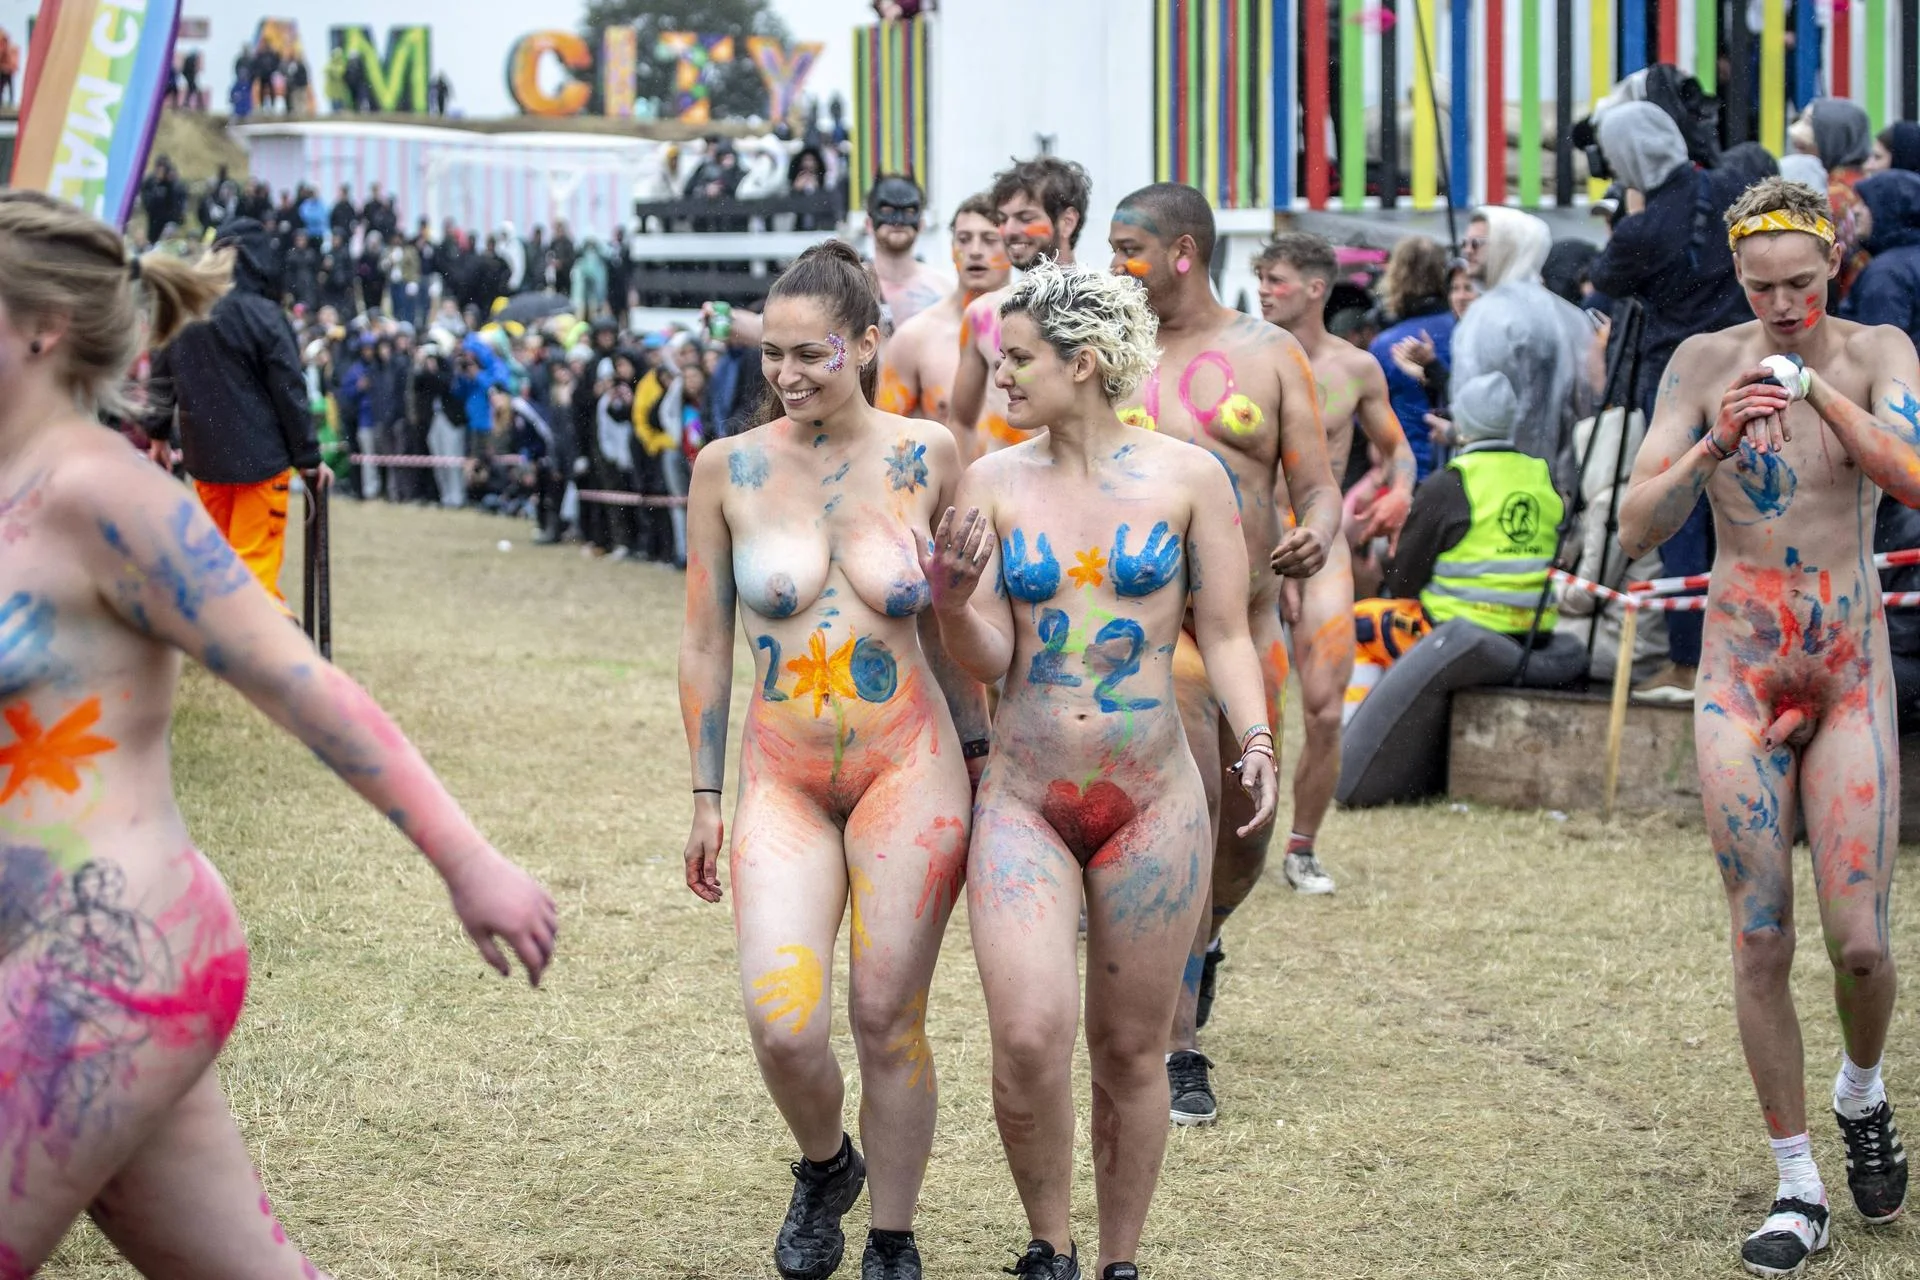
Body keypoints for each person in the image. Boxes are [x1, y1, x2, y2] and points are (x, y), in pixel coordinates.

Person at [0, 186, 557, 1279]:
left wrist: (468, 859)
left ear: (41, 327)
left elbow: (304, 685)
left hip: (116, 950)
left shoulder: (109, 496)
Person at [923, 260, 1277, 1280]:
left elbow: (1226, 632)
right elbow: (991, 653)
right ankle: (1051, 1244)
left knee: (1131, 1048)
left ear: (1083, 362)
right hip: (1026, 799)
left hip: (1154, 801)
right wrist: (951, 601)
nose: (1000, 377)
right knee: (1029, 1035)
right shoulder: (992, 481)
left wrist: (1255, 740)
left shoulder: (1189, 477)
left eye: (1018, 359)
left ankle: (1119, 1258)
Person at [1619, 176, 1915, 1277]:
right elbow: (1634, 526)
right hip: (1740, 676)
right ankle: (1798, 1184)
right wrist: (1711, 446)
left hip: (1848, 672)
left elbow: (1913, 477)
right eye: (1761, 287)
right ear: (1737, 279)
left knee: (1862, 943)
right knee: (1760, 935)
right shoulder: (1700, 363)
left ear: (1834, 262)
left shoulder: (1879, 351)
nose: (1784, 304)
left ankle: (1862, 1090)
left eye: (1801, 281)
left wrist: (1818, 395)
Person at [678, 240, 986, 1280]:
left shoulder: (931, 453)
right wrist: (705, 793)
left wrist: (983, 753)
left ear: (866, 342)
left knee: (886, 1014)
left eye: (813, 353)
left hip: (912, 767)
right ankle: (826, 1164)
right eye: (773, 354)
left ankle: (893, 1236)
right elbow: (705, 640)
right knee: (783, 1023)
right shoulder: (727, 467)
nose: (789, 374)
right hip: (783, 778)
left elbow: (953, 625)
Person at [1103, 183, 1340, 1125]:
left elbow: (1316, 486)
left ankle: (1201, 944)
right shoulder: (1109, 352)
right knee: (1194, 809)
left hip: (1249, 624)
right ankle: (1180, 1048)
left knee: (1244, 835)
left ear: (1184, 252)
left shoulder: (1269, 353)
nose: (1115, 265)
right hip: (1154, 637)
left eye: (1129, 248)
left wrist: (1318, 532)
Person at [1589, 113, 1781, 706]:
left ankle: (1688, 659)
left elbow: (1604, 280)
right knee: (1762, 506)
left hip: (1676, 377)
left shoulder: (1643, 229)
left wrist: (1633, 210)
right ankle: (1764, 649)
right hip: (1750, 364)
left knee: (1681, 517)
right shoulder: (1731, 191)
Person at [1247, 232, 1415, 896]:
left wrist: (1400, 491)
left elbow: (1396, 449)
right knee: (1246, 710)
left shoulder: (1355, 368)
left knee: (1322, 709)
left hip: (1322, 548)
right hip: (1250, 546)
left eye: (1277, 279)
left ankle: (1302, 847)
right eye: (1261, 278)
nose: (1264, 290)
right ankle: (1229, 844)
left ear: (1316, 289)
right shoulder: (1240, 359)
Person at [144, 219, 321, 608]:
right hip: (261, 464)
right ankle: (261, 640)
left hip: (206, 462)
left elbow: (160, 375)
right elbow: (289, 391)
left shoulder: (186, 311)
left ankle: (225, 636)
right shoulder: (264, 315)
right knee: (254, 579)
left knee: (219, 571)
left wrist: (156, 433)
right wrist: (309, 457)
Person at [951, 156, 1093, 459]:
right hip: (1008, 482)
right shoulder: (983, 314)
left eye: (1025, 218)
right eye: (1003, 220)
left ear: (1067, 221)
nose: (1009, 231)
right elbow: (961, 422)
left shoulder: (1101, 311)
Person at [1452, 206, 1598, 490]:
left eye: (1477, 243)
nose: (1467, 251)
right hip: (1559, 479)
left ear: (1508, 246)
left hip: (1494, 478)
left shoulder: (1489, 314)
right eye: (1464, 243)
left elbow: (1478, 405)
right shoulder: (1568, 315)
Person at [877, 193, 1010, 424]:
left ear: (1013, 245)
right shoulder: (915, 338)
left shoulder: (1037, 329)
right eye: (964, 239)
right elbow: (886, 433)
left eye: (990, 239)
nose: (975, 251)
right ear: (952, 247)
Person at [1370, 236, 1456, 483]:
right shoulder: (1464, 329)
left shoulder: (1386, 344)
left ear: (1396, 275)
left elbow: (1369, 421)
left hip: (1409, 473)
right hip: (1460, 464)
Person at [1840, 168, 1920, 351]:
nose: (1856, 211)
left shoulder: (1886, 273)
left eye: (1865, 204)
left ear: (1888, 210)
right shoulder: (1904, 261)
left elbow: (1880, 351)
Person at [862, 174, 950, 330]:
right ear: (869, 224)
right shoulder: (849, 286)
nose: (898, 221)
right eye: (887, 211)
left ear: (921, 224)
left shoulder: (943, 291)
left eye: (909, 212)